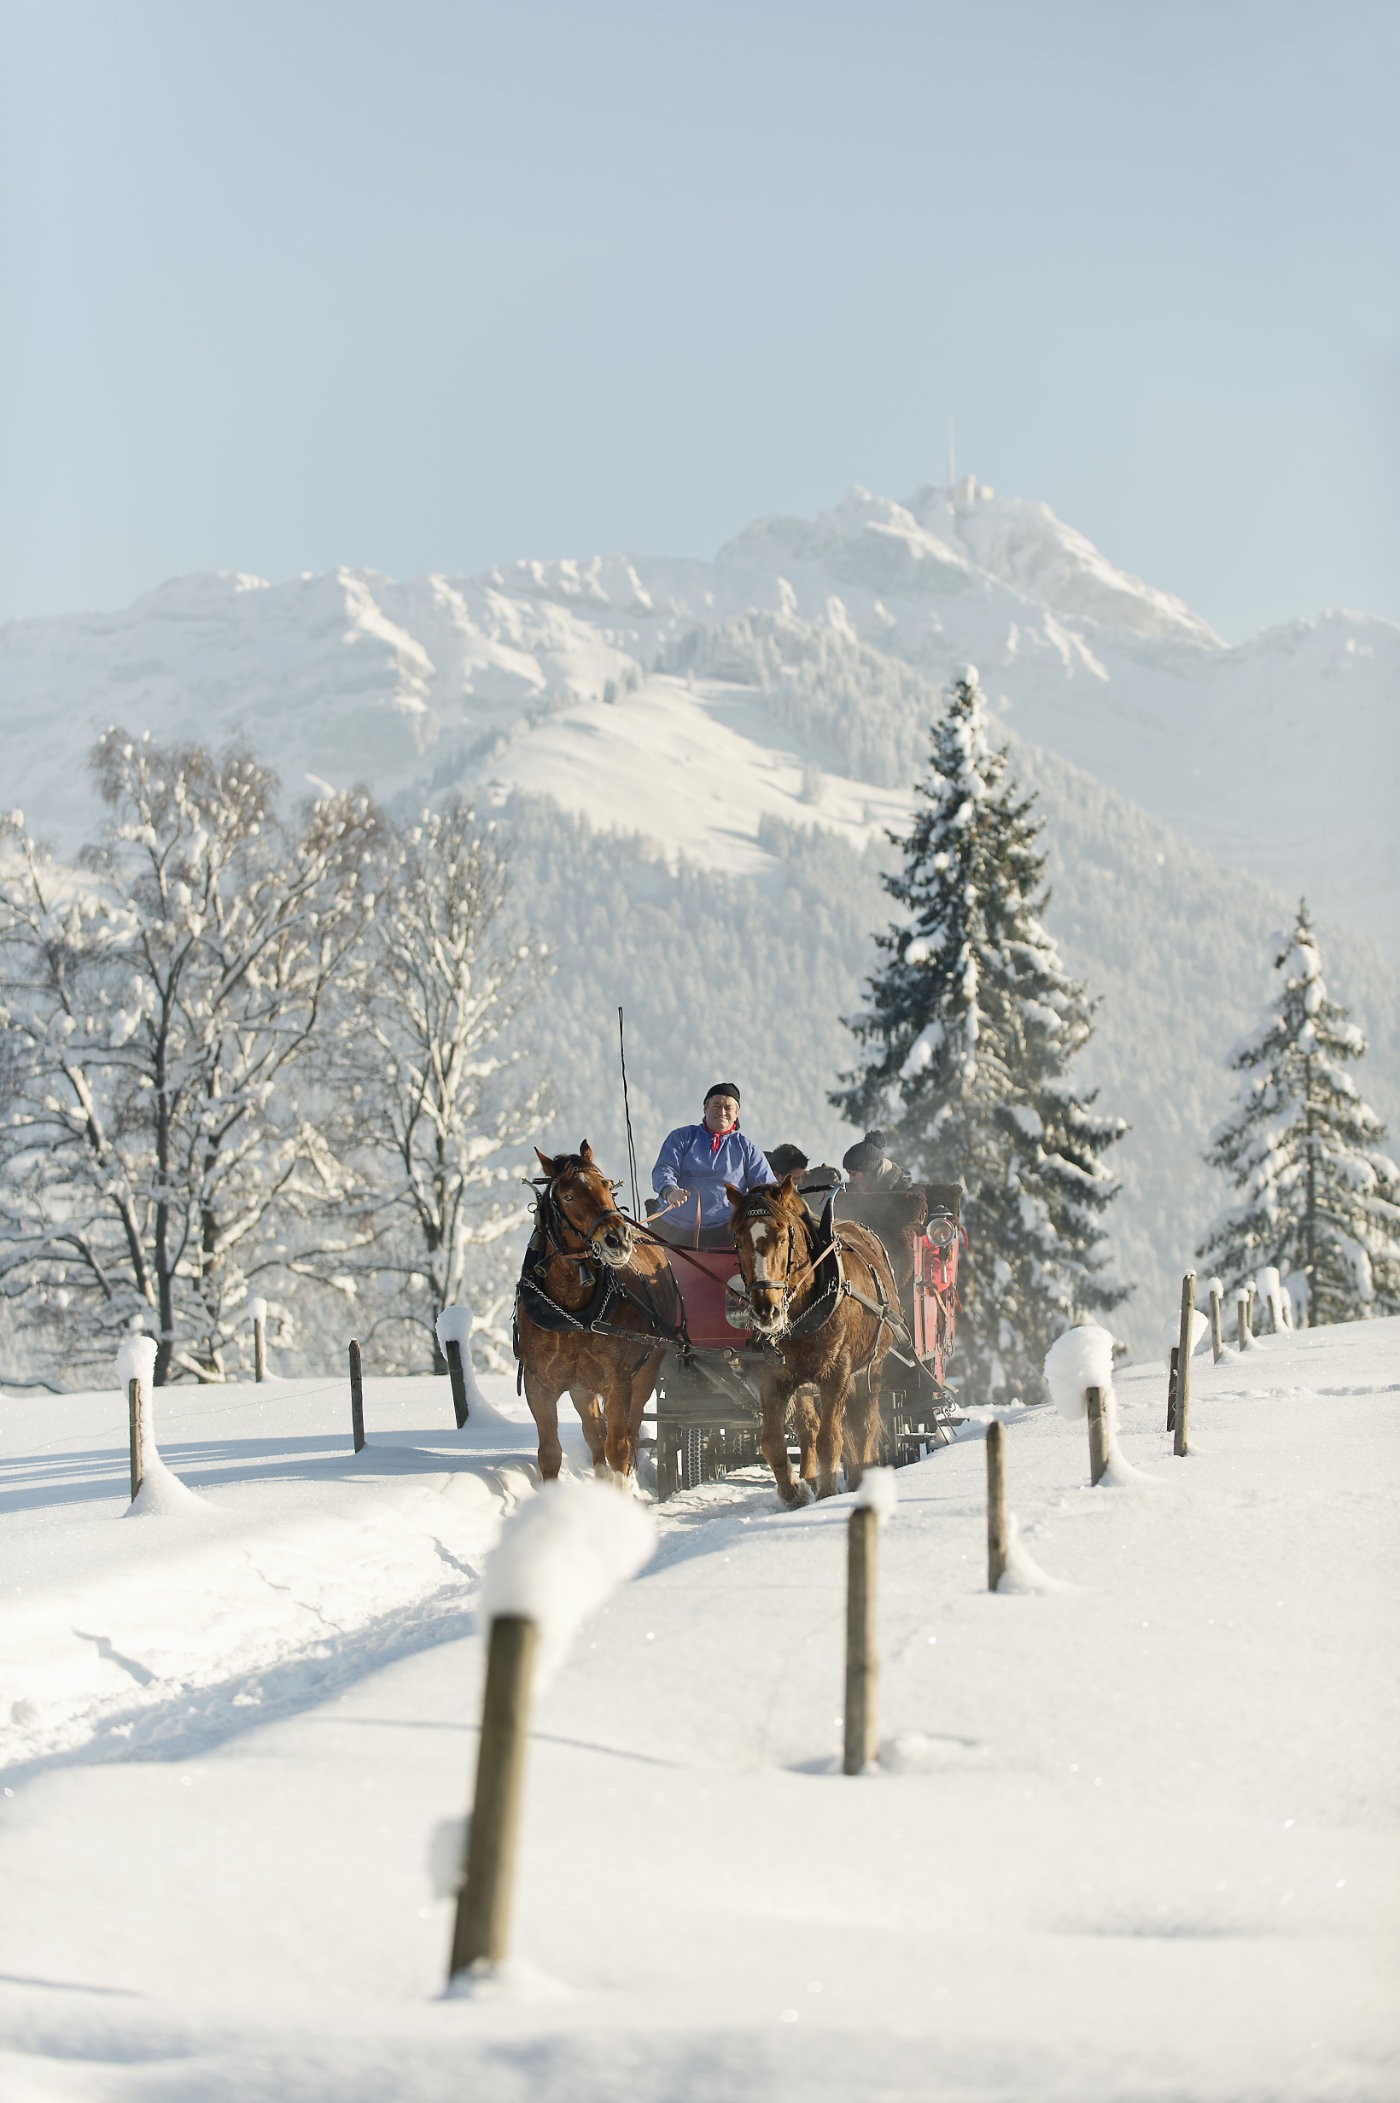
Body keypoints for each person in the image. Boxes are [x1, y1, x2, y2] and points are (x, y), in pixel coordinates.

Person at [652, 1083, 776, 1244]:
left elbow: (765, 1187)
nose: (722, 1112)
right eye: (716, 1105)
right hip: (672, 1227)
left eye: (728, 1107)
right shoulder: (682, 1137)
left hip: (726, 1231)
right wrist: (670, 1191)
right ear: (705, 1108)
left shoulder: (746, 1147)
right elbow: (664, 1169)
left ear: (736, 1113)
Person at [841, 1128, 911, 1191]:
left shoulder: (901, 1193)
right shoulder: (866, 1189)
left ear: (869, 1172)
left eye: (854, 1174)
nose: (851, 1180)